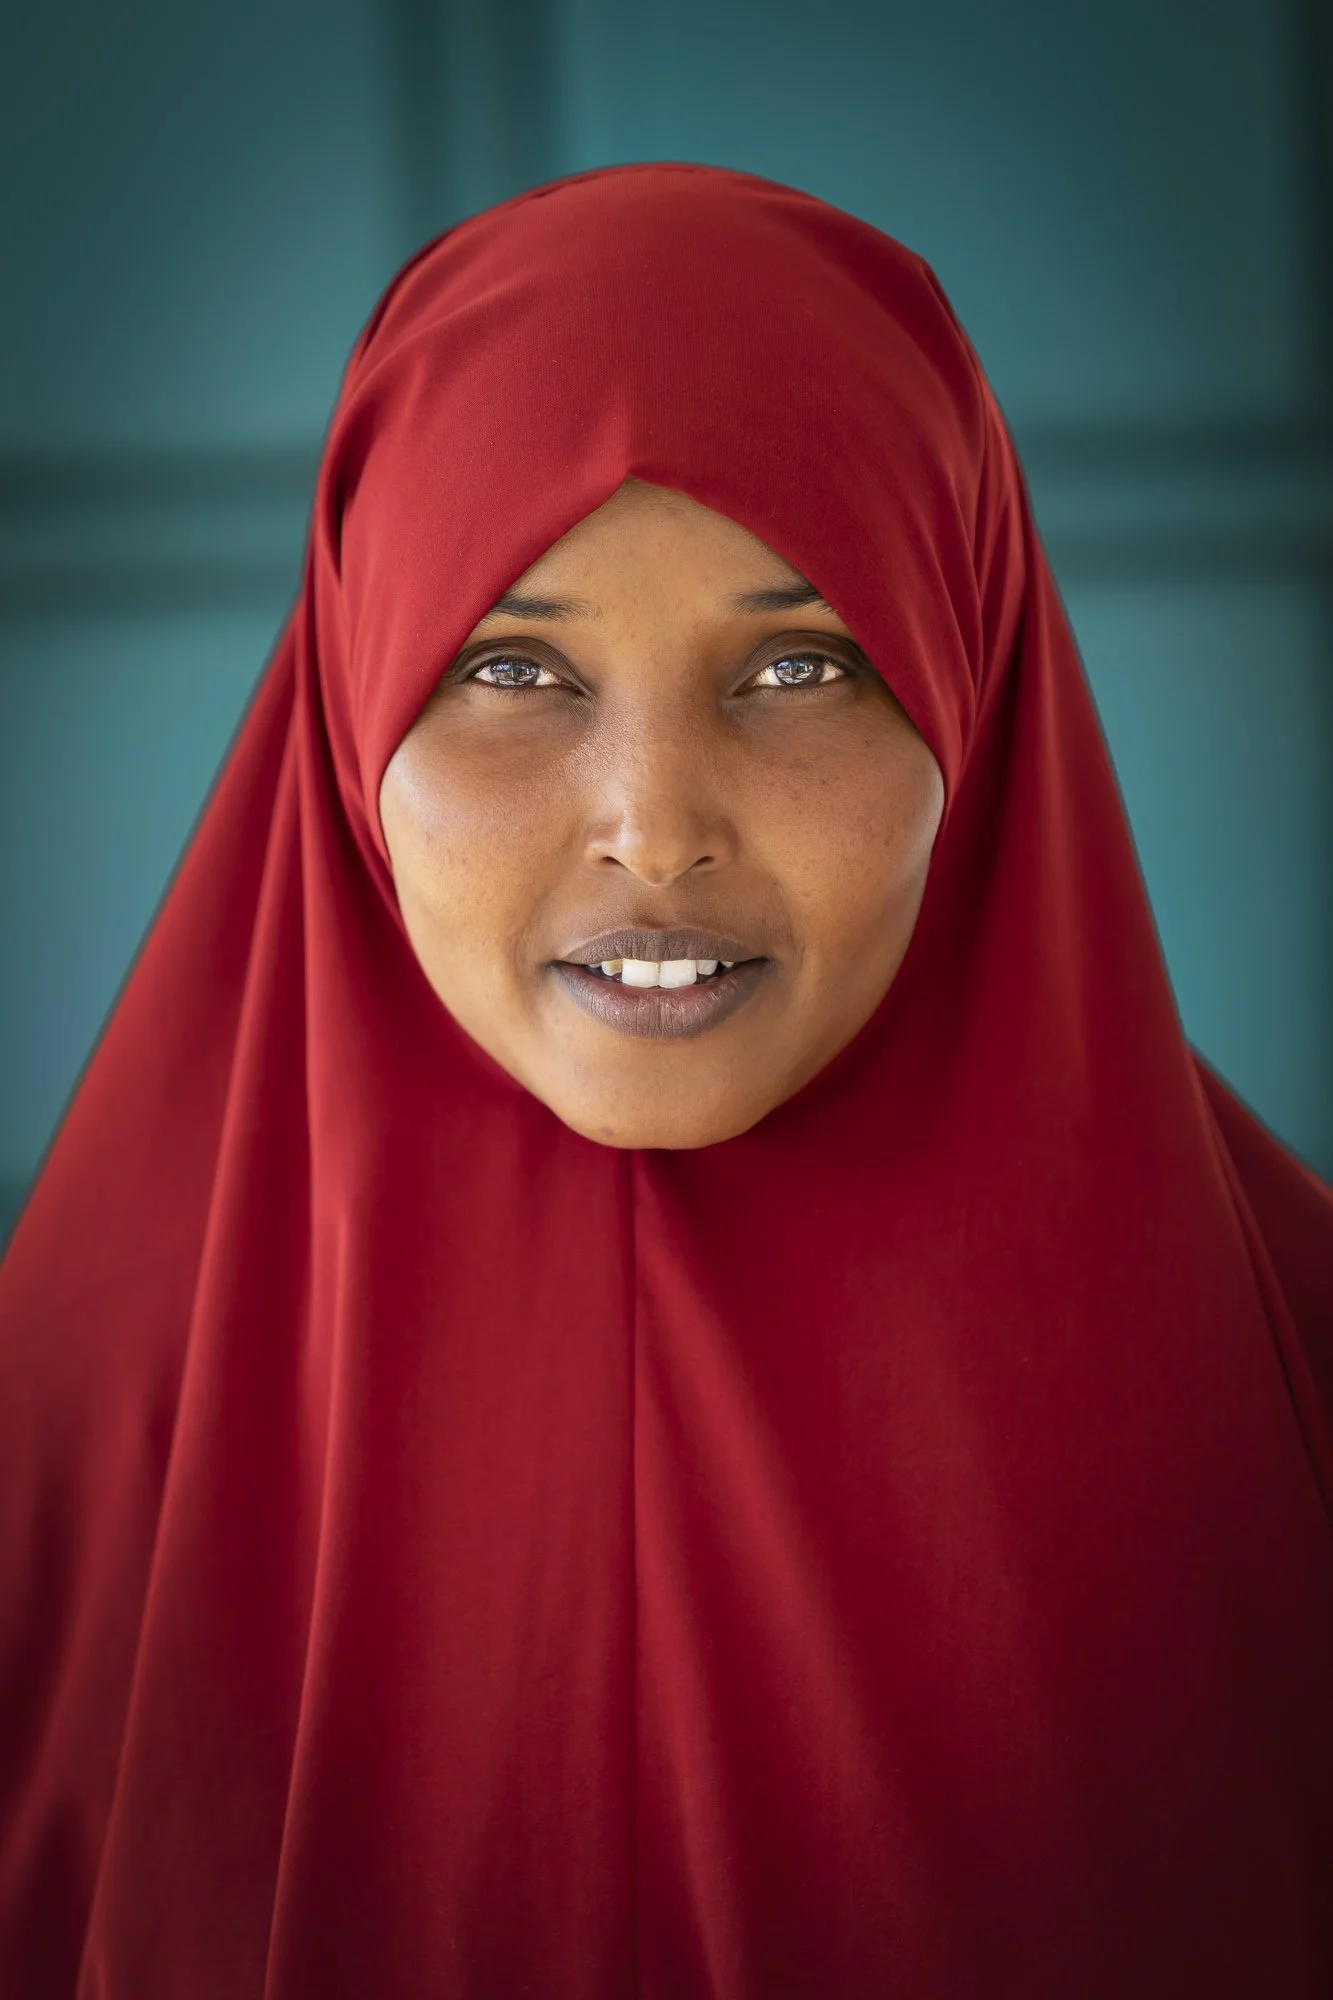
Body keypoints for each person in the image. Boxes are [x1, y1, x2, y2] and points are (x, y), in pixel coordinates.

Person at [1, 161, 1330, 1998]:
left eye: (799, 663)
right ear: (348, 698)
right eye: (512, 667)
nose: (655, 830)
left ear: (976, 681)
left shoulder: (1302, 1385)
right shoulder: (56, 1463)